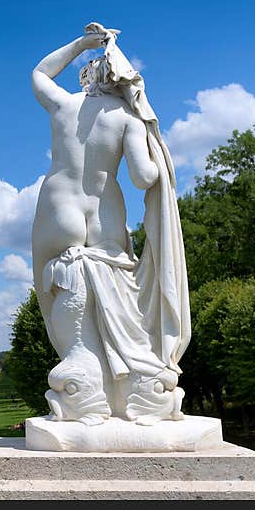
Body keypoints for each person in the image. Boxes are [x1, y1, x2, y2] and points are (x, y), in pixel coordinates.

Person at [30, 23, 190, 426]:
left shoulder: (66, 105)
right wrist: (159, 159)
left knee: (63, 291)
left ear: (88, 77)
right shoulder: (129, 120)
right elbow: (143, 178)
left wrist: (82, 43)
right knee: (117, 296)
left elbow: (38, 74)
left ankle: (83, 375)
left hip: (59, 208)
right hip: (107, 218)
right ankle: (135, 378)